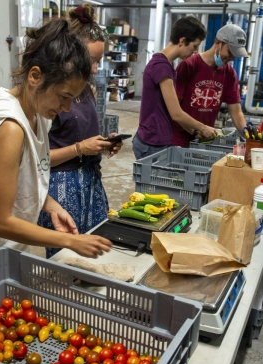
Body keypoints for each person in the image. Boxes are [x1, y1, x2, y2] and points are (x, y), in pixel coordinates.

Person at [0, 19, 112, 290]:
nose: (67, 108)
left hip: (2, 260)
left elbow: (26, 175)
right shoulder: (9, 126)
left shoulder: (39, 114)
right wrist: (70, 241)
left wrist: (51, 205)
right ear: (35, 76)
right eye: (64, 96)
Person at [38, 3, 122, 258]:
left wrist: (103, 144)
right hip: (61, 187)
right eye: (91, 60)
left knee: (95, 252)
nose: (96, 68)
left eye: (99, 60)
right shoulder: (47, 99)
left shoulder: (88, 90)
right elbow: (36, 160)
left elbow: (84, 134)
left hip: (90, 181)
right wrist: (79, 148)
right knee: (66, 260)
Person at [132, 16, 218, 160]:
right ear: (182, 41)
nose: (195, 51)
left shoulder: (166, 64)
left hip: (156, 140)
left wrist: (194, 132)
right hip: (152, 144)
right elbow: (176, 113)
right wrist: (203, 127)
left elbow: (167, 111)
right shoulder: (161, 66)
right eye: (194, 46)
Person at [173, 24, 249, 147]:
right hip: (180, 141)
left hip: (205, 141)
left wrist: (247, 133)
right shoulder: (189, 66)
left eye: (234, 55)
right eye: (230, 52)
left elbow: (236, 112)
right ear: (218, 43)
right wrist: (195, 130)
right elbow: (174, 109)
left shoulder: (229, 73)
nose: (231, 58)